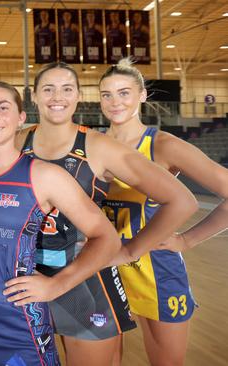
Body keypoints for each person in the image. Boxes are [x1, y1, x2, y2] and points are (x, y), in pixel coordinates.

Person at [16, 61, 197, 366]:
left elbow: (181, 200)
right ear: (34, 95)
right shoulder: (18, 141)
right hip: (28, 276)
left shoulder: (100, 146)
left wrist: (130, 251)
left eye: (66, 89)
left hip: (85, 279)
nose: (57, 96)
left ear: (78, 95)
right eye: (48, 89)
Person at [0, 81, 121, 366]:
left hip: (19, 327)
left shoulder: (44, 176)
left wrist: (56, 285)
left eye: (3, 107)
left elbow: (106, 238)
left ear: (21, 118)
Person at [99, 58, 228, 366]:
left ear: (142, 94)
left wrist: (187, 240)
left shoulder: (163, 145)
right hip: (103, 265)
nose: (115, 102)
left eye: (124, 92)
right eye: (106, 94)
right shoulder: (92, 144)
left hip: (155, 269)